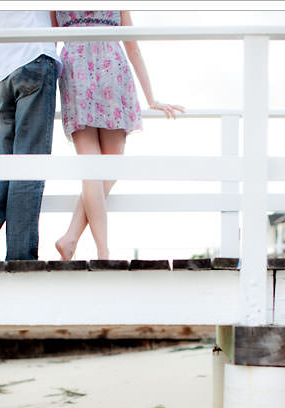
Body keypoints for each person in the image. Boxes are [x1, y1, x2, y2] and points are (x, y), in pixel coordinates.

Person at [52, 10, 184, 260]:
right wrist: (151, 97)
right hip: (110, 66)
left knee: (93, 166)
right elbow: (132, 46)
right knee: (108, 166)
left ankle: (75, 240)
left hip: (75, 69)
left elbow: (48, 41)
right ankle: (97, 249)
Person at [0, 10, 62, 262]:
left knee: (10, 164)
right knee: (28, 166)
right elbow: (55, 20)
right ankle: (21, 260)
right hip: (33, 59)